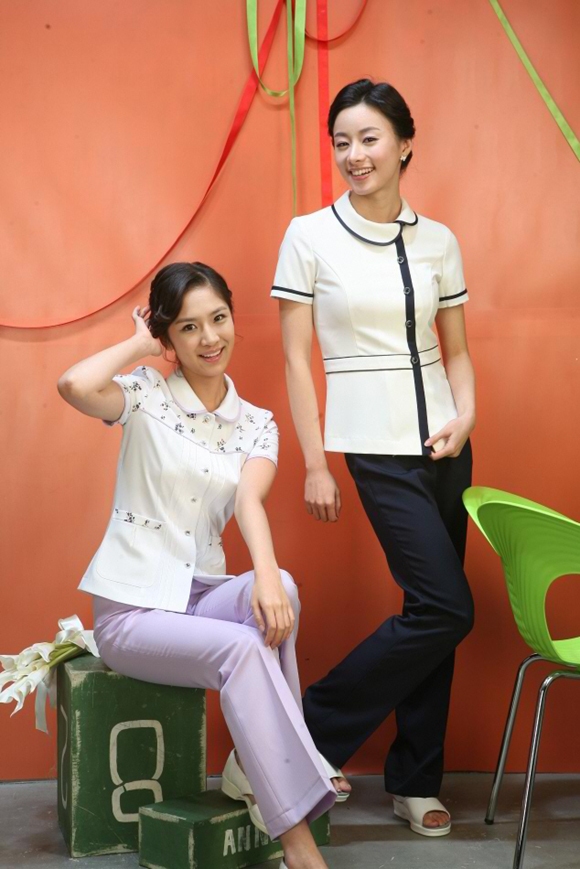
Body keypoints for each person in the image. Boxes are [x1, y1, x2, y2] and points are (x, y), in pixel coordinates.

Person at [58, 262, 336, 869]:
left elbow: (248, 501)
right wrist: (138, 344)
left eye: (219, 318)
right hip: (133, 611)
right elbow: (74, 384)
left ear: (233, 317)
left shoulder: (256, 423)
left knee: (284, 587)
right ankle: (298, 844)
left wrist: (268, 575)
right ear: (169, 338)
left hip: (202, 596)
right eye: (188, 327)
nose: (210, 338)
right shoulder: (144, 394)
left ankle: (253, 769)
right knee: (242, 648)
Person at [271, 79, 476, 838]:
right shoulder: (309, 236)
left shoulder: (439, 240)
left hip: (446, 444)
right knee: (447, 607)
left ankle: (416, 780)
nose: (354, 154)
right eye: (342, 142)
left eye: (369, 138)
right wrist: (314, 461)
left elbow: (457, 351)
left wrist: (467, 415)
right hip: (373, 445)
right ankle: (300, 738)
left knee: (432, 616)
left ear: (404, 144)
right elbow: (297, 361)